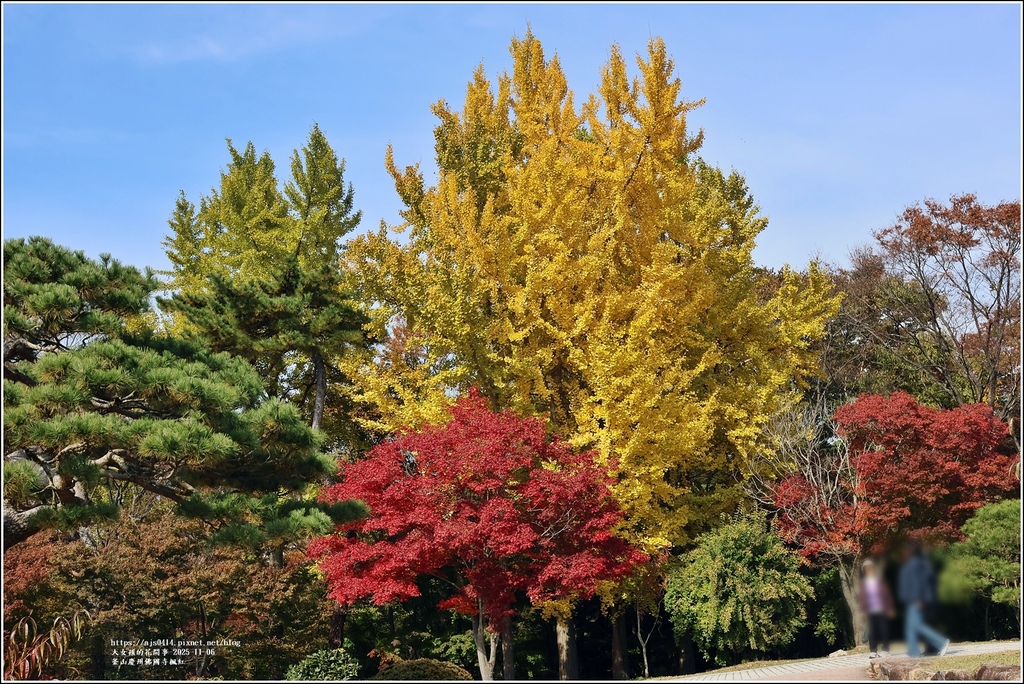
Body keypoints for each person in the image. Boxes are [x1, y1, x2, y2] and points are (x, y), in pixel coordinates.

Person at [898, 540, 950, 658]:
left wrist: (918, 598)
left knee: (917, 625)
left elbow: (917, 583)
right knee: (911, 626)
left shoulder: (914, 564)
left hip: (915, 599)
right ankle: (913, 652)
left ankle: (941, 642)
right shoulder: (919, 563)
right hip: (913, 599)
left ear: (910, 551)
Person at [860, 559, 894, 658]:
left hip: (881, 609)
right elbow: (863, 598)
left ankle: (886, 649)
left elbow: (887, 595)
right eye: (866, 568)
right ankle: (873, 650)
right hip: (870, 610)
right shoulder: (864, 583)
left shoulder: (879, 580)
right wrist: (863, 610)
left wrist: (889, 607)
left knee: (883, 630)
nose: (869, 570)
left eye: (870, 568)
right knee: (872, 631)